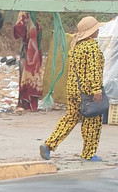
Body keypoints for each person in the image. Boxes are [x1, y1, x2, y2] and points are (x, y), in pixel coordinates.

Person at [41, 16, 106, 162]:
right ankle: (89, 154)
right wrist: (96, 89)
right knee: (92, 123)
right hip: (88, 92)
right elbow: (93, 70)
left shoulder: (76, 45)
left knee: (70, 118)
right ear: (91, 32)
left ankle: (48, 145)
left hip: (73, 90)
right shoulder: (91, 47)